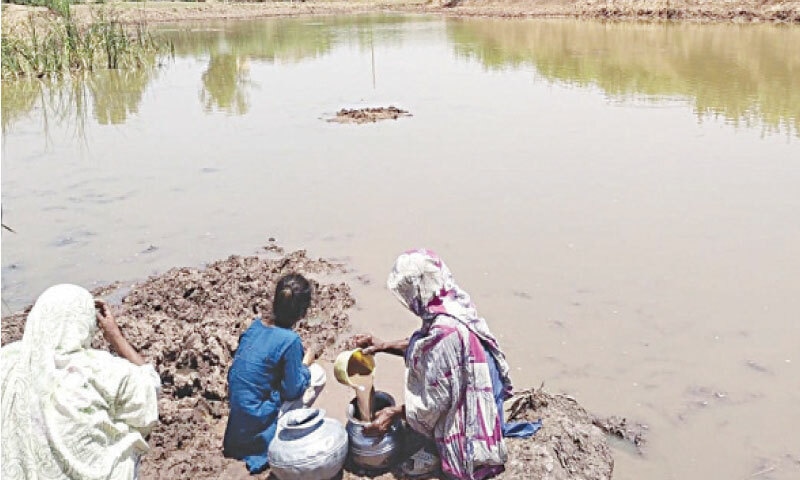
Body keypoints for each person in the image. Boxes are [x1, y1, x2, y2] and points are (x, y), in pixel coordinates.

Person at [355, 249, 539, 480]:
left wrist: (393, 413)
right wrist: (382, 346)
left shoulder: (445, 332)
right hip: (485, 393)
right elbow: (425, 348)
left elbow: (432, 404)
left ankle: (435, 453)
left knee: (432, 418)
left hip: (475, 413)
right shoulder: (453, 303)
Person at [1, 284, 161, 480]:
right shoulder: (94, 369)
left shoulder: (8, 360)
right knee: (130, 436)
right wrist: (115, 336)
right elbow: (150, 387)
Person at [223, 273, 326, 474]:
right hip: (257, 420)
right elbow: (292, 391)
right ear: (303, 312)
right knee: (318, 374)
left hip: (238, 420)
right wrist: (306, 363)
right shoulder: (290, 341)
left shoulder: (255, 326)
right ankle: (285, 433)